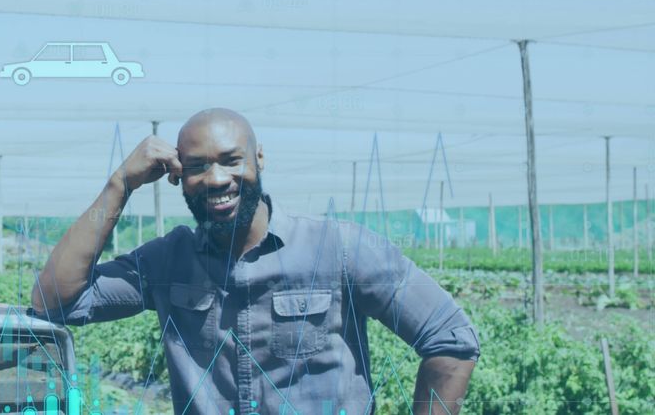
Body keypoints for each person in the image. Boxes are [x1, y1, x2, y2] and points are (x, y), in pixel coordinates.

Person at [31, 108, 479, 414]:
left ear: (259, 158)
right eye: (198, 166)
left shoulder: (338, 248)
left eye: (232, 161)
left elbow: (450, 338)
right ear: (178, 177)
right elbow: (55, 301)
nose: (217, 179)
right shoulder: (168, 260)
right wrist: (120, 184)